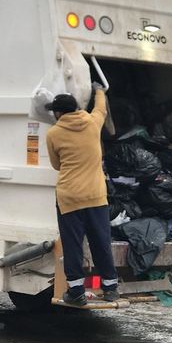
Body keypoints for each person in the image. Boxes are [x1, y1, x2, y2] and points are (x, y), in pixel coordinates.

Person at [45, 84, 119, 305]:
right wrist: (99, 91)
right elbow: (101, 110)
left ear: (58, 113)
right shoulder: (92, 123)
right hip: (96, 196)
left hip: (69, 198)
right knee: (101, 242)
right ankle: (111, 287)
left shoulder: (53, 134)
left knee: (73, 244)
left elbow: (56, 165)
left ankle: (76, 292)